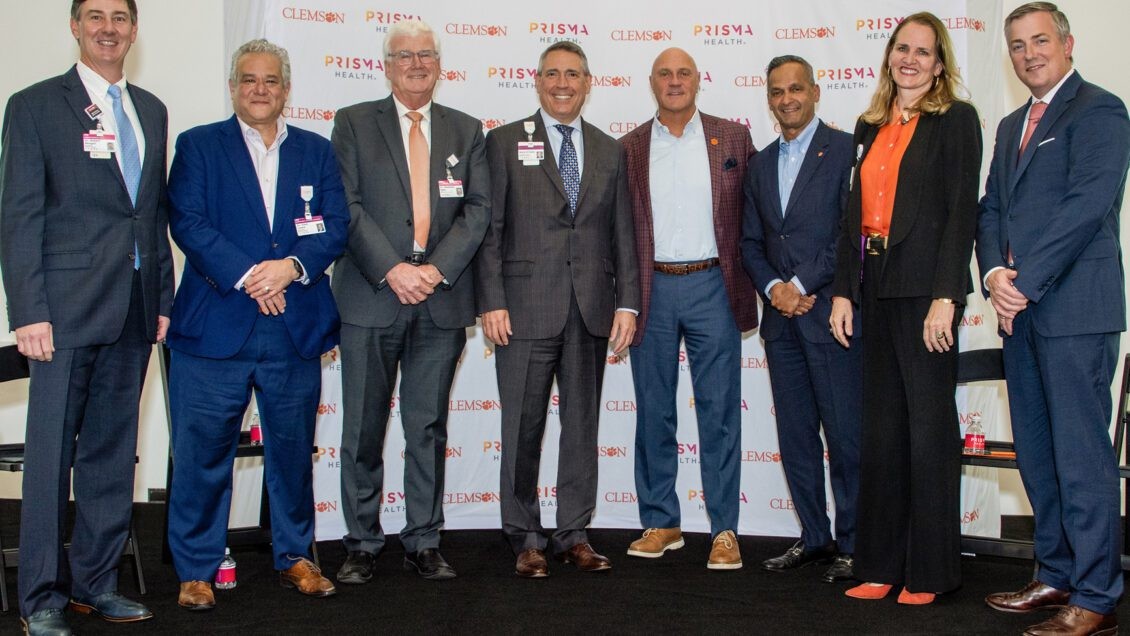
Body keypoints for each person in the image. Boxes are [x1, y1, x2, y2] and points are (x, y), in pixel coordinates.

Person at [0, 1, 174, 633]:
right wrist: (29, 310)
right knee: (50, 463)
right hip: (62, 316)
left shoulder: (149, 109)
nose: (109, 27)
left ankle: (94, 583)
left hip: (134, 311)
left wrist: (162, 300)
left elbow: (148, 215)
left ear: (134, 29)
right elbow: (19, 216)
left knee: (111, 454)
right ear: (75, 27)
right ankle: (41, 599)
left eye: (120, 18)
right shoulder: (35, 105)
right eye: (95, 16)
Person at [165, 38, 348, 609]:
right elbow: (188, 223)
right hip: (214, 328)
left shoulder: (317, 151)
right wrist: (251, 276)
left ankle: (295, 556)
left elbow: (335, 224)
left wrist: (290, 268)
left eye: (271, 80)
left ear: (287, 89)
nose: (260, 89)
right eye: (249, 79)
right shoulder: (199, 146)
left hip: (293, 326)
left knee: (292, 453)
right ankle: (196, 568)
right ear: (233, 86)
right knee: (202, 454)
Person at [978, 3, 1129, 634]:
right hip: (1020, 314)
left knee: (1080, 457)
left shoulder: (1100, 109)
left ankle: (1096, 596)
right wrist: (992, 277)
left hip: (1074, 312)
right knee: (1038, 456)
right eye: (1017, 45)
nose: (1029, 53)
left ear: (1067, 44)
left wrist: (1025, 283)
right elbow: (991, 210)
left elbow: (1087, 205)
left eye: (1040, 40)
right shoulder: (1012, 121)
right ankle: (1056, 573)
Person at [828, 12, 981, 605]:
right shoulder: (868, 126)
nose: (909, 60)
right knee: (883, 433)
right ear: (889, 56)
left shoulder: (956, 120)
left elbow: (961, 213)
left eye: (923, 51)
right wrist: (843, 289)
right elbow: (851, 218)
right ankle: (881, 564)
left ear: (940, 63)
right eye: (901, 49)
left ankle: (930, 572)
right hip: (875, 285)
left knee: (928, 432)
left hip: (926, 293)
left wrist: (948, 297)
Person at [331, 19, 490, 583]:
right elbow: (344, 206)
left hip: (440, 301)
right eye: (405, 56)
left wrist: (436, 271)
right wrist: (393, 269)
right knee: (363, 428)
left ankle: (423, 538)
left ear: (440, 64)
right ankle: (361, 543)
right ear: (386, 65)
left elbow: (477, 211)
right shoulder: (352, 123)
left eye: (426, 55)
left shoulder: (466, 130)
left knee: (427, 427)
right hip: (372, 296)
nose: (416, 64)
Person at [475, 41, 640, 578]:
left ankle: (573, 532)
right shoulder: (502, 142)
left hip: (591, 308)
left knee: (581, 427)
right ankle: (525, 535)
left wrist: (628, 303)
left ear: (588, 82)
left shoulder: (609, 150)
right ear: (537, 80)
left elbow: (624, 235)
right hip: (522, 310)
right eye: (553, 74)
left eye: (573, 74)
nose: (563, 83)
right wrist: (492, 300)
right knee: (522, 426)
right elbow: (489, 231)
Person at [619, 47, 755, 569]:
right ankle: (661, 521)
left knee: (720, 413)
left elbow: (755, 210)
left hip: (714, 286)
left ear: (698, 80)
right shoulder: (629, 147)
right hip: (651, 289)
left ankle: (724, 529)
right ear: (651, 82)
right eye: (664, 74)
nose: (674, 81)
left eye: (683, 73)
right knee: (654, 410)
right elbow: (619, 232)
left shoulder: (733, 137)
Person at [742, 55, 860, 584]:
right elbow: (750, 242)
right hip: (782, 323)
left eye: (795, 88)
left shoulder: (845, 149)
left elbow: (849, 232)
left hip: (828, 315)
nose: (786, 98)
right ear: (768, 99)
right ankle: (816, 537)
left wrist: (802, 285)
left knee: (844, 436)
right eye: (776, 91)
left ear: (815, 90)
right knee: (795, 438)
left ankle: (855, 545)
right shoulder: (760, 162)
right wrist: (774, 291)